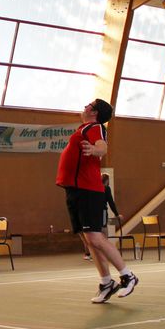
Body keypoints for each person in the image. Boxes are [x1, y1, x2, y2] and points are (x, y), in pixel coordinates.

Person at [57, 99, 138, 303]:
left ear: (94, 112)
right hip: (74, 190)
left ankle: (128, 276)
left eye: (88, 104)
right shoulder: (83, 128)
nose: (84, 106)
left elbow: (102, 147)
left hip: (88, 190)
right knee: (89, 240)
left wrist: (95, 151)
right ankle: (106, 282)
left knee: (95, 238)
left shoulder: (95, 127)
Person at [82, 173, 119, 261]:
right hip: (102, 212)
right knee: (104, 232)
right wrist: (117, 214)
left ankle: (90, 254)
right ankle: (104, 252)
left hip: (92, 213)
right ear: (107, 180)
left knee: (94, 232)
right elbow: (111, 203)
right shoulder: (106, 188)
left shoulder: (93, 188)